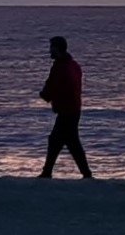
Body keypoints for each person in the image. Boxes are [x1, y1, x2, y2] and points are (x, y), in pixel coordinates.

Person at [37, 35, 91, 179]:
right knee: (68, 142)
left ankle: (48, 172)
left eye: (51, 48)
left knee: (59, 141)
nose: (50, 51)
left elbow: (55, 86)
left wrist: (46, 95)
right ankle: (49, 171)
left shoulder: (61, 67)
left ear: (57, 48)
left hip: (67, 110)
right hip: (73, 109)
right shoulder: (73, 65)